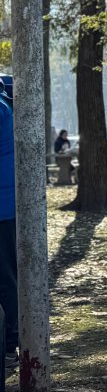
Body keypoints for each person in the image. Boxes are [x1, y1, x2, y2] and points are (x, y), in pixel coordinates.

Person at [0, 92, 17, 370]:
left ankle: (11, 341)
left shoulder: (0, 109)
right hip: (5, 207)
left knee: (5, 276)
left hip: (2, 210)